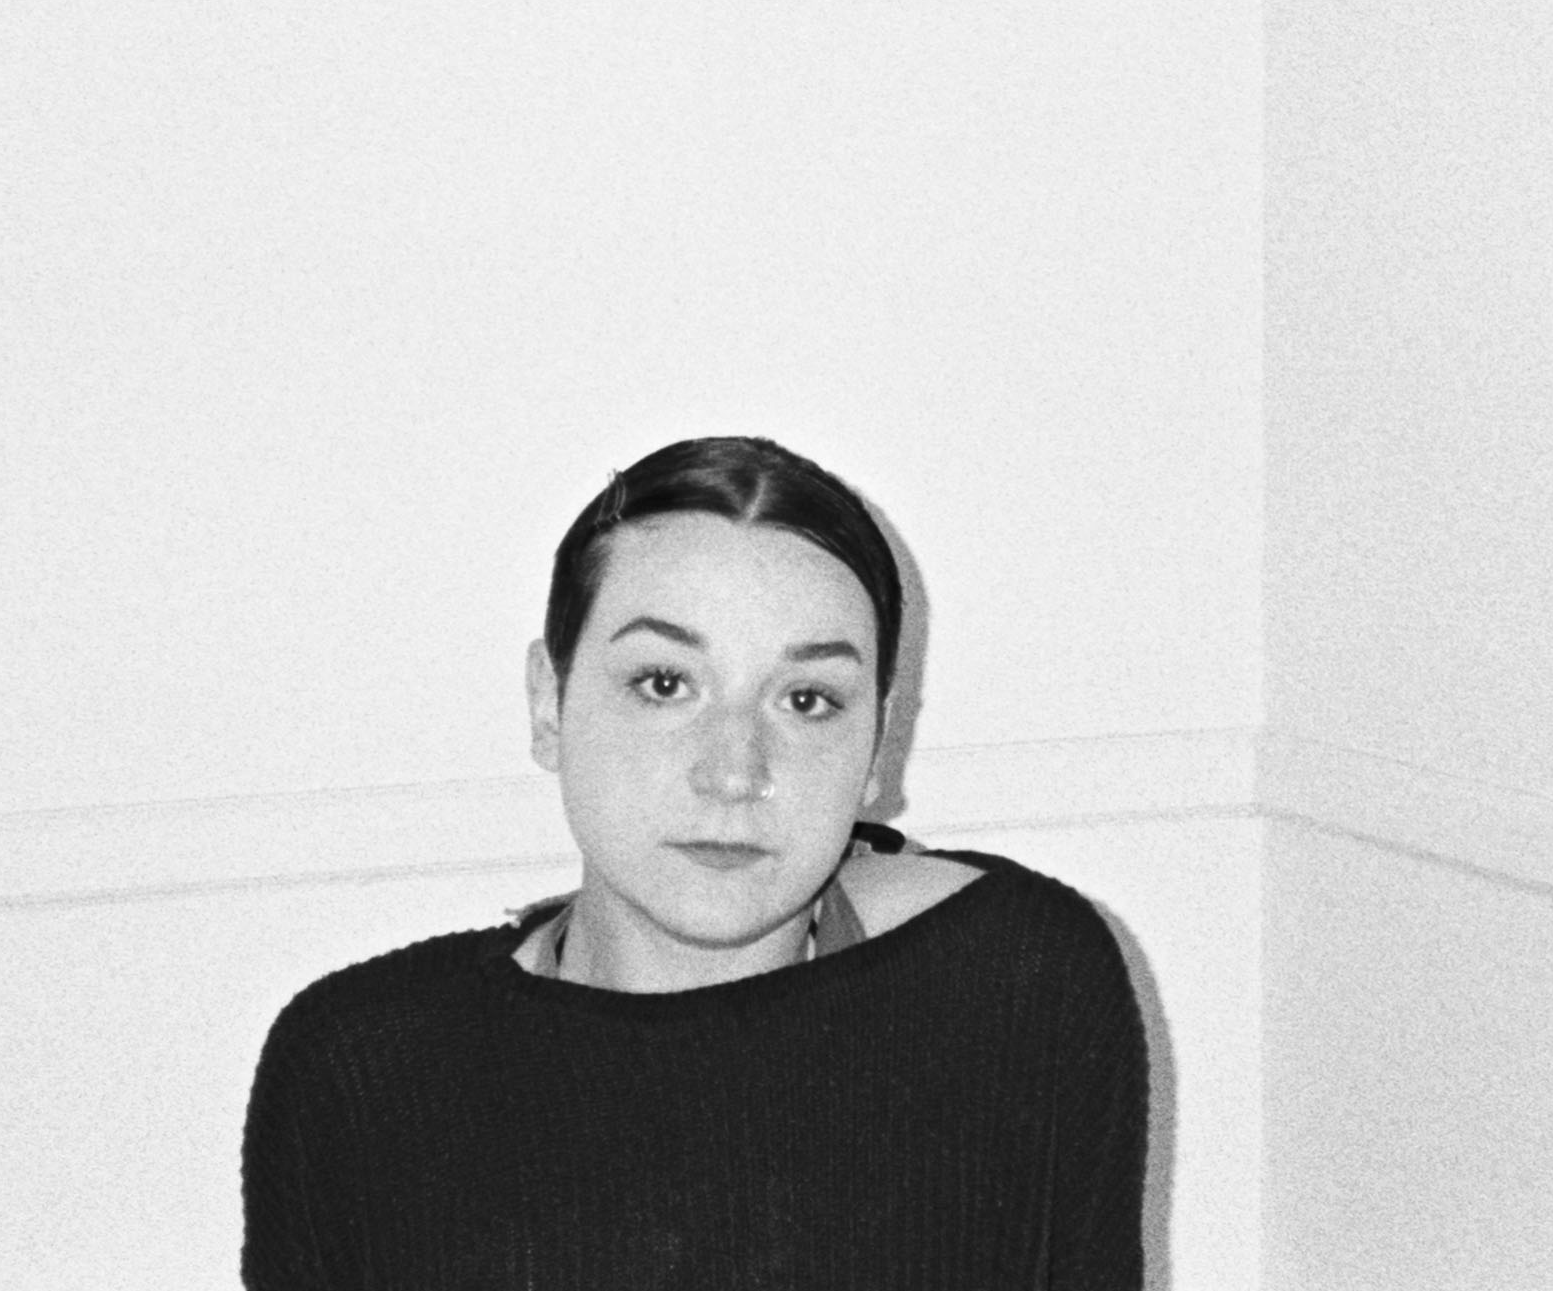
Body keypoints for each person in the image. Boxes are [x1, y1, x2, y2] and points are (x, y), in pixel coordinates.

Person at [241, 437, 1148, 1288]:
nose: (734, 770)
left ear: (878, 745)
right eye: (665, 683)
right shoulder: (359, 1070)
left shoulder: (1019, 987)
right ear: (549, 703)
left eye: (807, 698)